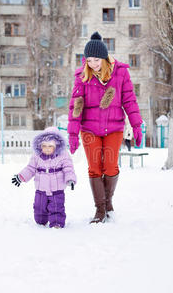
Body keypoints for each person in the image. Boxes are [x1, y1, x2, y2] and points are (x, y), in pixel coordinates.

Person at [67, 32, 143, 223]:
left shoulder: (120, 73)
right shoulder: (82, 75)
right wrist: (73, 134)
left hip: (114, 128)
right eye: (89, 60)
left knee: (110, 166)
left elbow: (129, 100)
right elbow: (76, 105)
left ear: (105, 57)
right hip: (89, 130)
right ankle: (100, 210)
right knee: (94, 168)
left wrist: (136, 125)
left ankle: (108, 202)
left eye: (96, 60)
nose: (92, 64)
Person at [12, 127, 77, 228]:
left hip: (57, 189)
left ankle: (57, 223)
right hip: (41, 189)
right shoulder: (37, 156)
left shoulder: (63, 155)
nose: (47, 148)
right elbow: (30, 168)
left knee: (57, 207)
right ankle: (41, 221)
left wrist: (70, 179)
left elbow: (68, 168)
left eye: (50, 146)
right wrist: (21, 177)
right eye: (44, 146)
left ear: (56, 146)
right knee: (39, 208)